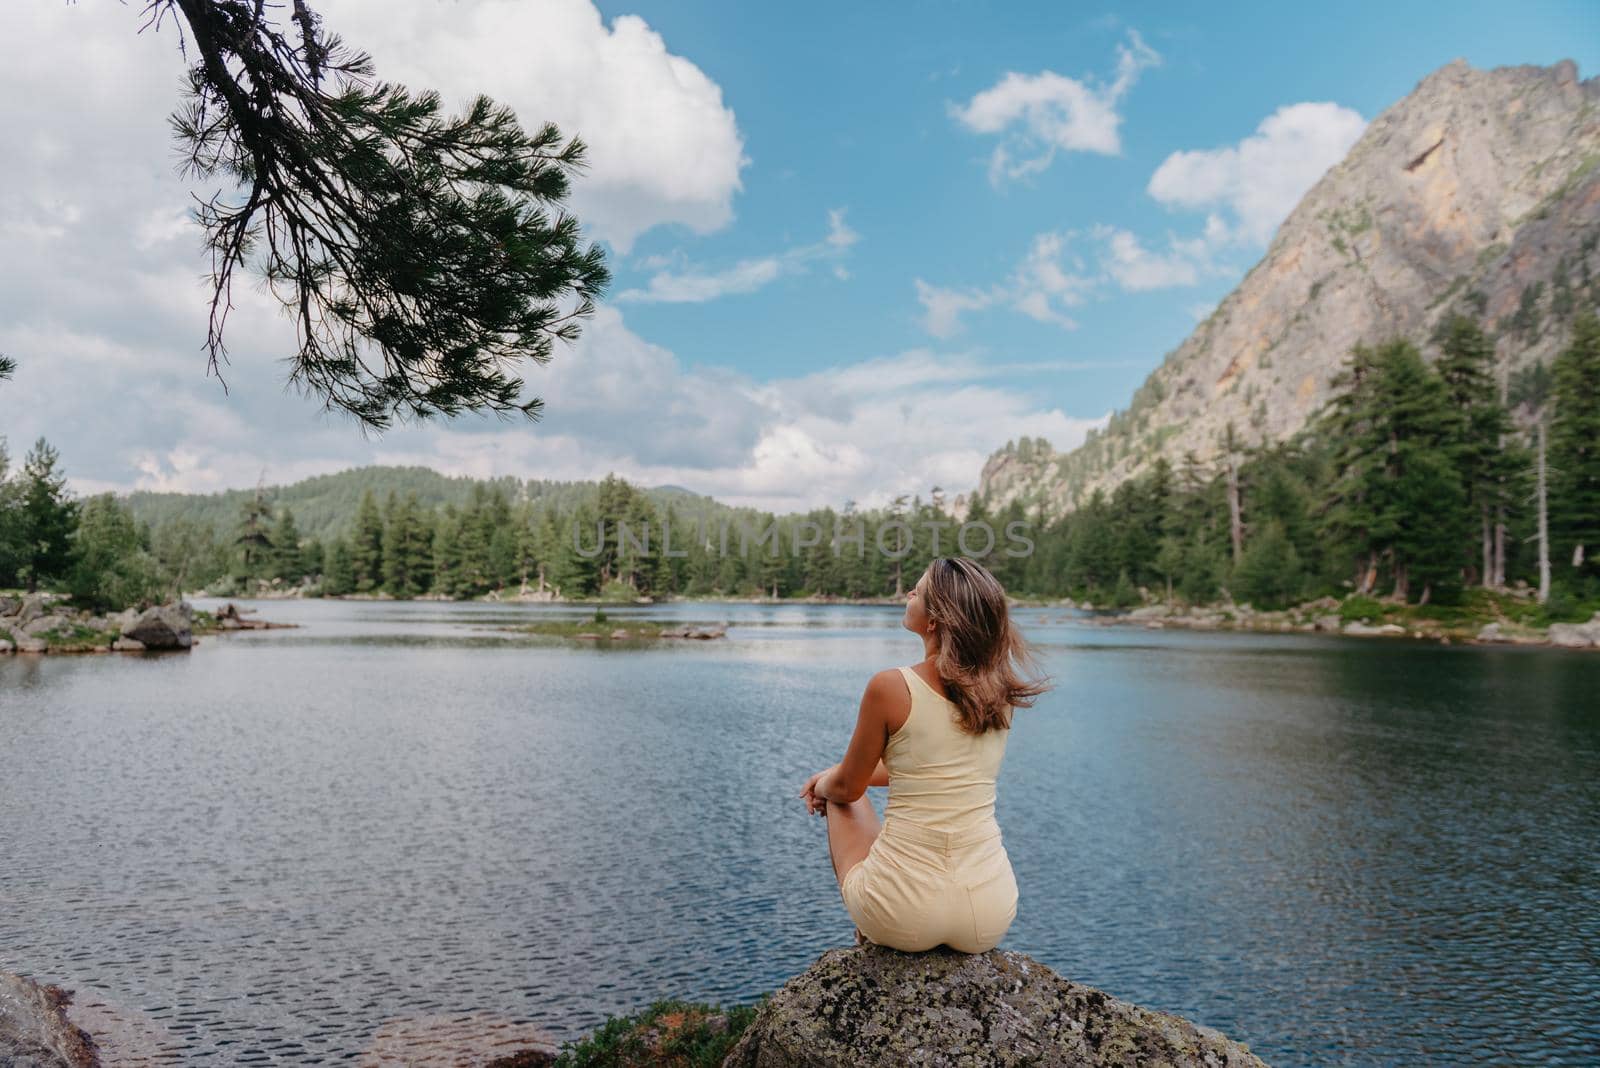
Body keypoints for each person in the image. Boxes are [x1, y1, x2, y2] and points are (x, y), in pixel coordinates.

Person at [800, 556, 1051, 952]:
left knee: (841, 797)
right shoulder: (998, 693)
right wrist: (837, 774)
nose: (908, 593)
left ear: (934, 620)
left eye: (917, 590)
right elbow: (930, 769)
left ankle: (869, 930)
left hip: (902, 915)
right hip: (987, 914)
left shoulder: (890, 686)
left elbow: (849, 787)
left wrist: (822, 783)